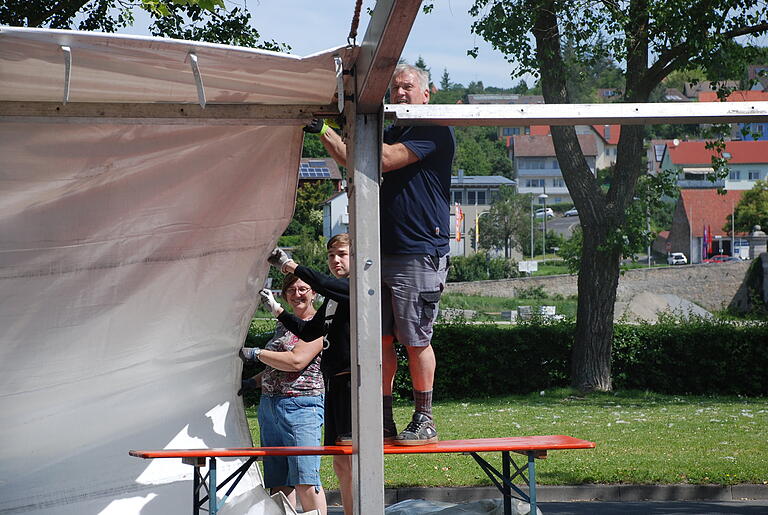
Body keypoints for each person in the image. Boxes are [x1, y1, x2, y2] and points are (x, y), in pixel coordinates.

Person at [304, 63, 455, 445]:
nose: (399, 94)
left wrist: (333, 131)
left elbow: (382, 160)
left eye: (407, 87)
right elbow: (353, 157)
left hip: (419, 251)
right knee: (382, 340)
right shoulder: (392, 131)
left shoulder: (432, 129)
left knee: (415, 338)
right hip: (381, 251)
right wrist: (323, 129)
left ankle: (425, 418)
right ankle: (382, 419)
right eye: (395, 89)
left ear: (426, 93)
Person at [263, 234, 355, 515]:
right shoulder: (332, 300)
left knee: (351, 464)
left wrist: (289, 265)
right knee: (341, 463)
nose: (335, 260)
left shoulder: (357, 286)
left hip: (354, 383)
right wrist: (278, 312)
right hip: (334, 385)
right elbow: (308, 331)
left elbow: (297, 358)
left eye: (341, 254)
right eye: (330, 256)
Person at [239, 274, 327, 515]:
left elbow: (296, 361)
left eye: (303, 289)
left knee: (306, 480)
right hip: (270, 407)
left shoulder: (319, 324)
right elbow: (274, 367)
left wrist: (256, 353)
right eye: (291, 290)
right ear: (284, 295)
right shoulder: (283, 324)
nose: (297, 294)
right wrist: (251, 382)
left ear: (314, 293)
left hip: (302, 406)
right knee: (279, 481)